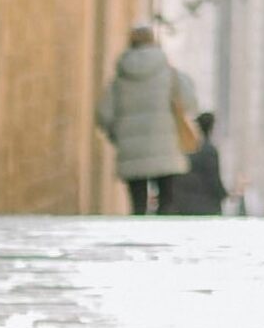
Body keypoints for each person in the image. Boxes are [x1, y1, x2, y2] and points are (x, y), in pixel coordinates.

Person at [95, 22, 200, 215]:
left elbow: (104, 114)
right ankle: (161, 235)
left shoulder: (121, 77)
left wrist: (116, 133)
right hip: (166, 144)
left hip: (132, 147)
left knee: (138, 201)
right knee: (166, 198)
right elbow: (190, 102)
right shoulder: (170, 73)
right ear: (153, 41)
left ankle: (138, 233)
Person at [161, 112, 228, 216]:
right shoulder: (209, 151)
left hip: (183, 205)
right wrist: (224, 195)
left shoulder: (186, 149)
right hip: (206, 205)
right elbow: (213, 179)